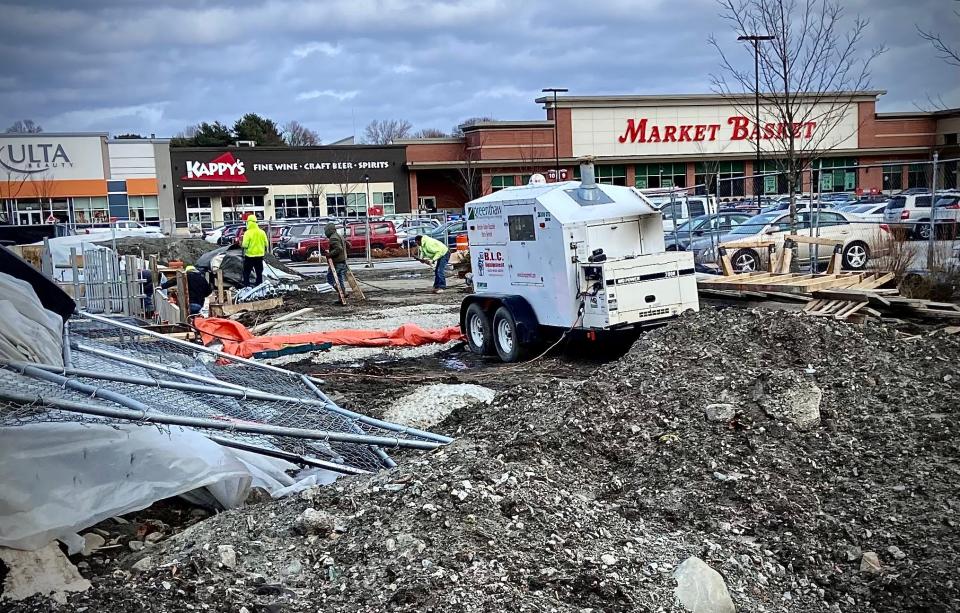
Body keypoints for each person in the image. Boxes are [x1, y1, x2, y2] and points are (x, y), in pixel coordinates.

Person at [240, 215, 268, 287]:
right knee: (259, 272)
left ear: (249, 223)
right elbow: (266, 243)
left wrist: (242, 244)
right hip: (260, 256)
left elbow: (245, 245)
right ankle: (259, 285)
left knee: (247, 272)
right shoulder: (262, 232)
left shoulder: (247, 233)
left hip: (249, 256)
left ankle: (246, 286)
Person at [324, 223, 348, 293]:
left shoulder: (333, 238)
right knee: (340, 279)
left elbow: (339, 248)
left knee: (330, 279)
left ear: (330, 230)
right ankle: (343, 293)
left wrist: (329, 254)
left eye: (326, 231)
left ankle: (340, 291)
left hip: (337, 262)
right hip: (342, 261)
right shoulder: (339, 235)